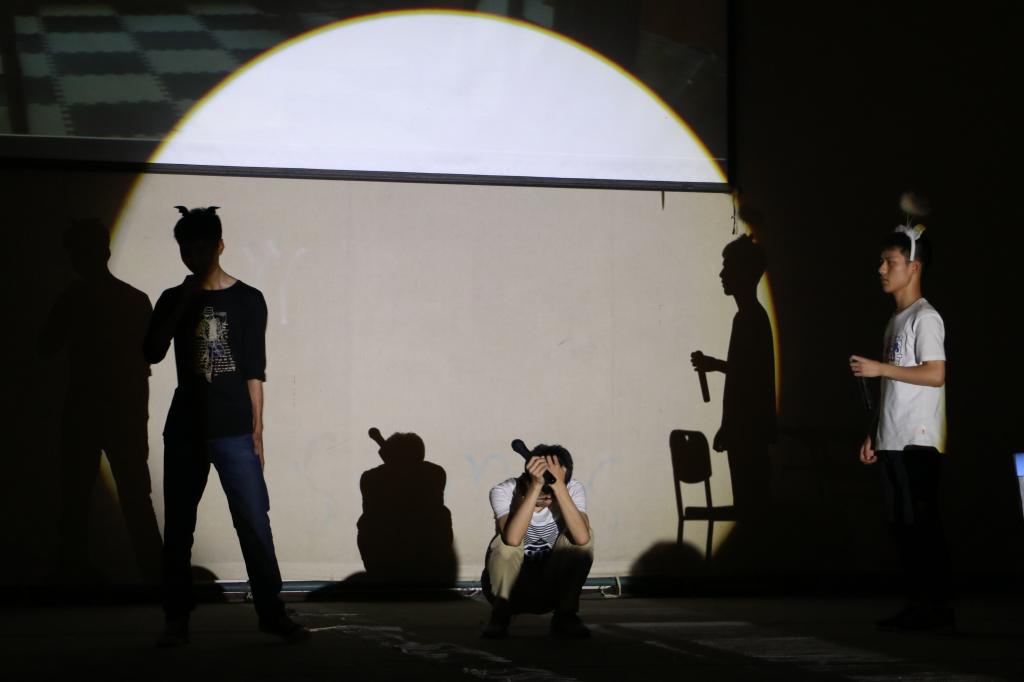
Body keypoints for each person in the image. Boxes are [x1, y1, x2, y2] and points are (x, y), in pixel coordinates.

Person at [144, 206, 308, 646]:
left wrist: (258, 432)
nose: (194, 257)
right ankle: (176, 619)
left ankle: (271, 611)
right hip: (185, 430)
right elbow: (152, 351)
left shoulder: (248, 299)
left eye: (202, 248)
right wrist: (182, 301)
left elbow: (254, 369)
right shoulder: (173, 297)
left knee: (254, 522)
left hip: (235, 430)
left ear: (219, 246)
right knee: (179, 529)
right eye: (186, 250)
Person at [849, 207, 952, 632]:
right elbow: (895, 386)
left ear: (913, 267)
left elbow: (935, 373)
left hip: (917, 440)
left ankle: (937, 610)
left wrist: (879, 369)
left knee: (920, 525)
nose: (881, 269)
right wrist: (874, 433)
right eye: (881, 262)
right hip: (893, 438)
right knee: (902, 528)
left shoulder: (925, 317)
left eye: (889, 262)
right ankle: (918, 606)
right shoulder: (895, 321)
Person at [690, 234, 777, 520]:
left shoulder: (748, 319)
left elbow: (747, 381)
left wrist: (729, 426)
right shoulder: (751, 317)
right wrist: (714, 364)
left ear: (744, 273)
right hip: (751, 430)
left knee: (750, 508)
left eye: (728, 267)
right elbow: (746, 372)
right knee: (753, 506)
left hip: (747, 432)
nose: (722, 274)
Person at [481, 444, 593, 638]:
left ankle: (565, 616)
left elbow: (582, 538)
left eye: (552, 490)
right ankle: (500, 615)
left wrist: (559, 487)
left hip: (552, 588)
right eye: (544, 489)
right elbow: (512, 539)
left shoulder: (572, 489)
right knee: (505, 545)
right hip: (514, 587)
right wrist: (534, 488)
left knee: (583, 541)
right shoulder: (504, 491)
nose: (547, 496)